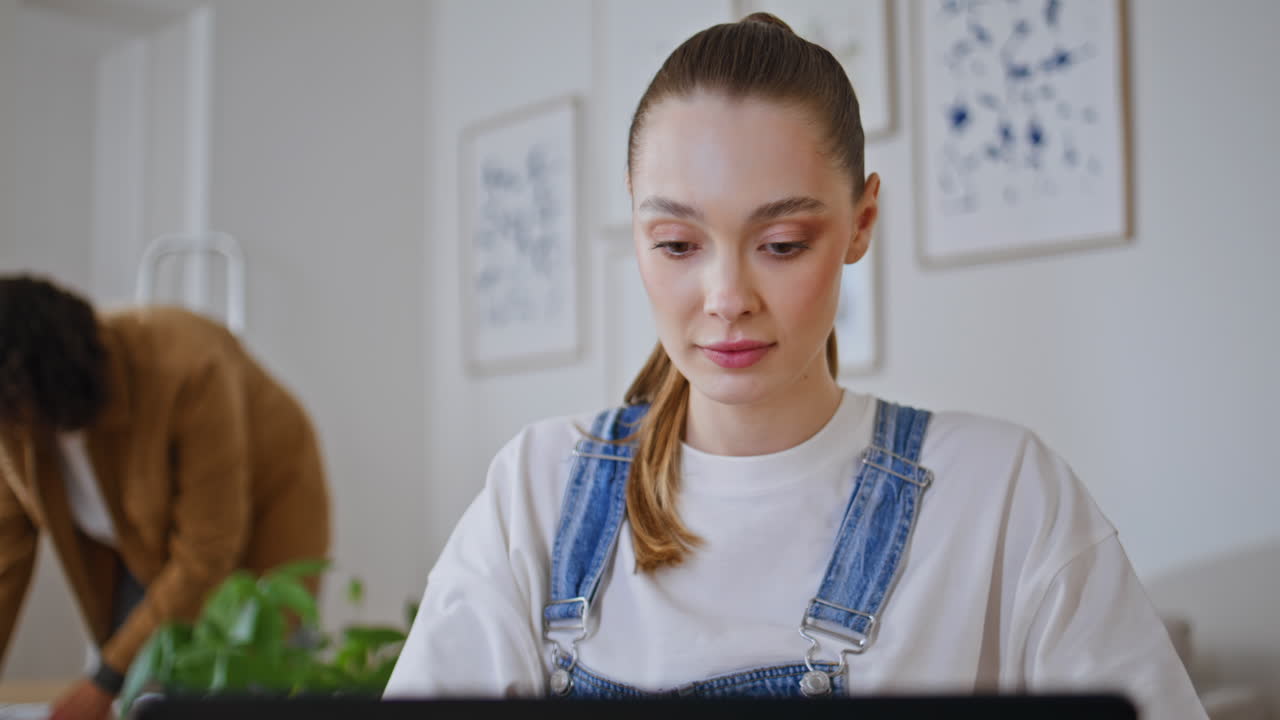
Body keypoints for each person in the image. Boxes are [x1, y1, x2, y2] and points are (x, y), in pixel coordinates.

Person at [384, 13, 1205, 717]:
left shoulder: (1005, 496)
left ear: (861, 222)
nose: (728, 295)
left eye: (781, 245)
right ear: (633, 229)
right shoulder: (537, 489)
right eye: (675, 244)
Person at [0, 275, 331, 720]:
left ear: (33, 386)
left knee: (252, 687)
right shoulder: (14, 424)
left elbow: (208, 551)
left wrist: (104, 680)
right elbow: (4, 558)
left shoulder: (189, 367)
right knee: (145, 690)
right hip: (145, 548)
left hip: (261, 517)